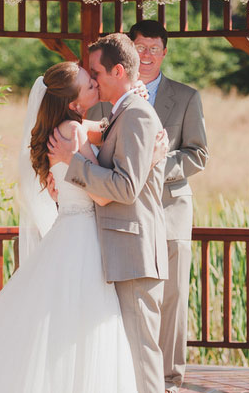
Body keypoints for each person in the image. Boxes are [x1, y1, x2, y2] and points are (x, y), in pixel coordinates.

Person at [0, 61, 166, 393]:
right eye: (89, 86)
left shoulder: (65, 127)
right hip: (83, 237)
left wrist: (133, 96)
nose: (95, 88)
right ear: (73, 103)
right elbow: (102, 195)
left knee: (57, 323)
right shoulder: (72, 132)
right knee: (83, 323)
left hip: (67, 232)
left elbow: (112, 126)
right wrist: (152, 157)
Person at [86, 20, 209, 393]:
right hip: (123, 214)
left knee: (170, 300)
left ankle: (170, 380)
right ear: (130, 52)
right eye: (141, 47)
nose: (149, 54)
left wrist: (153, 166)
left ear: (165, 52)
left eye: (155, 48)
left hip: (170, 209)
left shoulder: (186, 96)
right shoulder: (105, 97)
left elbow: (198, 153)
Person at [49, 33, 169, 393]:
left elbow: (125, 188)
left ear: (118, 71)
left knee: (140, 353)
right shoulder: (121, 115)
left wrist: (72, 164)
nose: (94, 79)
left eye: (97, 72)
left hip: (134, 254)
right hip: (119, 252)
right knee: (124, 354)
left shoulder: (136, 116)